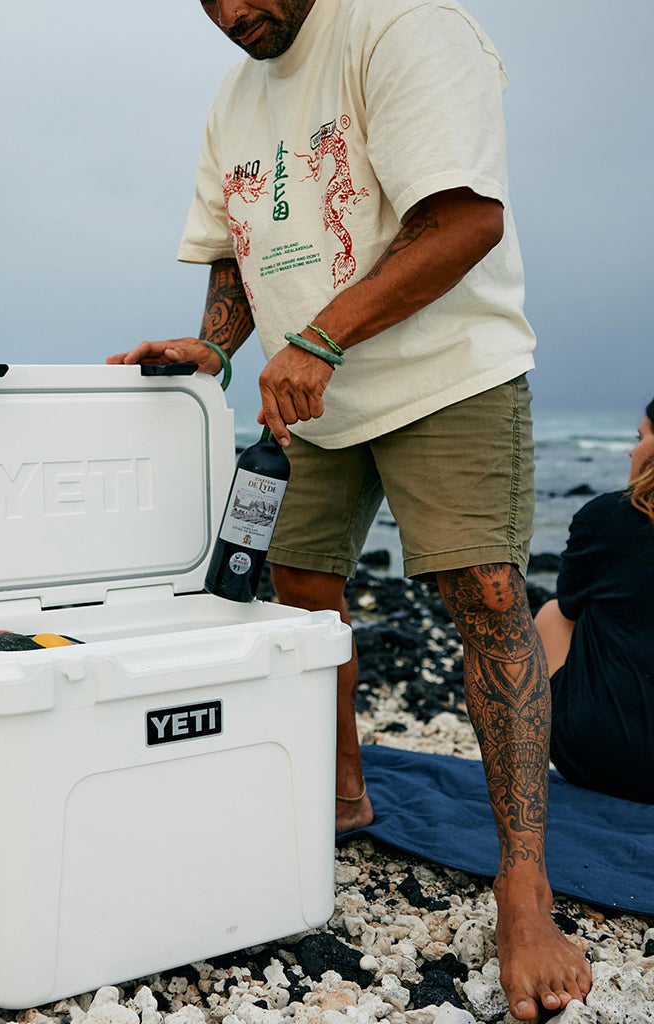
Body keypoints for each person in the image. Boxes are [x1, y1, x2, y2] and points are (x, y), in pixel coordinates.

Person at [107, 0, 591, 1018]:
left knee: (486, 594)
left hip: (444, 373)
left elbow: (465, 220)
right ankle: (337, 792)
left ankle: (523, 881)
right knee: (295, 590)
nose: (233, 13)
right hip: (310, 391)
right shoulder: (233, 97)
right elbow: (237, 248)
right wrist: (216, 345)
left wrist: (319, 339)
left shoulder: (403, 27)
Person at [535, 399, 654, 803]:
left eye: (641, 437)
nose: (632, 451)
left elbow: (570, 602)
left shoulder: (606, 515)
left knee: (554, 612)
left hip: (603, 757)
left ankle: (525, 751)